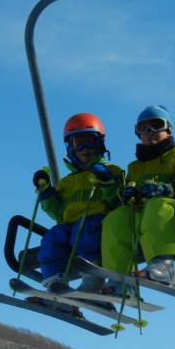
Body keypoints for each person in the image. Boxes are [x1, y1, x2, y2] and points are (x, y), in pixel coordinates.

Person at [101, 105, 175, 295]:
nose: (149, 133)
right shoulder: (135, 167)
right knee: (117, 217)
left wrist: (170, 189)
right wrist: (128, 193)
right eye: (143, 128)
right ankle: (119, 280)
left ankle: (164, 267)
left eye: (156, 125)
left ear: (168, 129)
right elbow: (129, 189)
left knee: (157, 204)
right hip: (144, 214)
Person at [32, 113, 124, 292]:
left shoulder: (112, 171)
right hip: (70, 225)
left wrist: (106, 181)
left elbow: (117, 202)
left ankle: (93, 277)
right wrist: (47, 194)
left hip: (98, 222)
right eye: (77, 142)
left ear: (99, 144)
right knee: (52, 237)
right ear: (69, 147)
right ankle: (55, 283)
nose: (83, 148)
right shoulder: (66, 182)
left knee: (85, 229)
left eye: (89, 141)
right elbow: (58, 214)